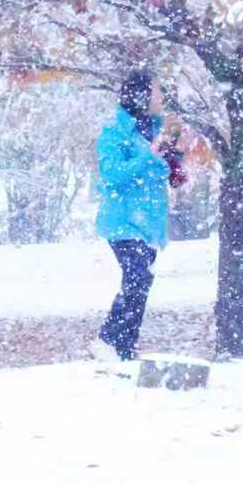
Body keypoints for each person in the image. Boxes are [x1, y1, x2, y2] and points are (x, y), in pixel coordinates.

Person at [90, 69, 172, 363]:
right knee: (138, 277)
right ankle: (107, 340)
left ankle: (124, 350)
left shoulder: (153, 128)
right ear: (141, 94)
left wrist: (171, 162)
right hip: (123, 222)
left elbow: (159, 172)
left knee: (141, 281)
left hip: (149, 223)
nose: (161, 96)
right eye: (156, 90)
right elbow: (113, 175)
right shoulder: (114, 131)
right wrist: (149, 155)